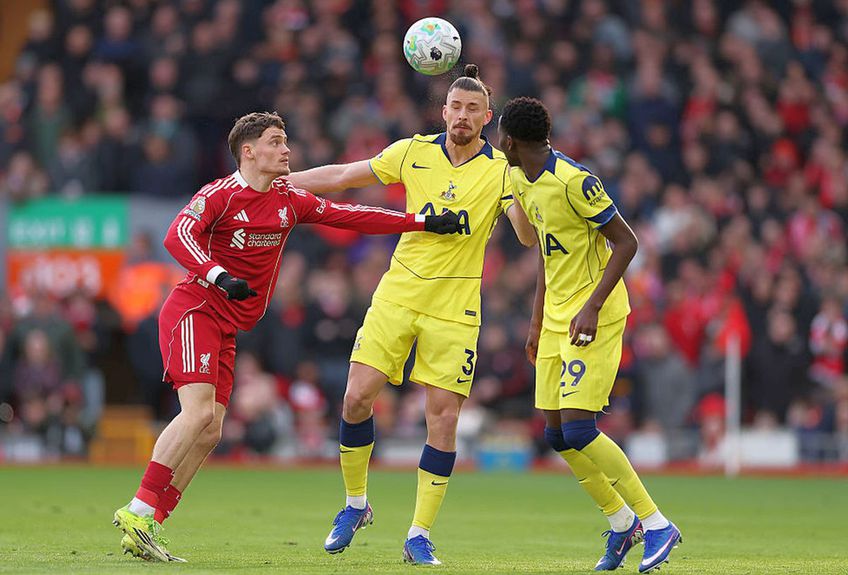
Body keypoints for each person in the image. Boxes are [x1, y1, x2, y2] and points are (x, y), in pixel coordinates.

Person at [112, 111, 462, 562]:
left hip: (228, 325)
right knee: (198, 413)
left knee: (212, 429)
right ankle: (138, 507)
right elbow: (177, 235)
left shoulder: (288, 199)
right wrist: (218, 275)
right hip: (195, 309)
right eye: (276, 142)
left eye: (286, 141)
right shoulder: (220, 194)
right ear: (249, 151)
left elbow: (350, 215)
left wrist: (420, 222)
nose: (287, 151)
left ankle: (151, 524)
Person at [288, 64, 536, 565]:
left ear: (487, 118)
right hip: (397, 295)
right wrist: (280, 182)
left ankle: (419, 534)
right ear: (443, 111)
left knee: (442, 420)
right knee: (356, 398)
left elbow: (527, 237)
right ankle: (355, 505)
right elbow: (341, 176)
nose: (462, 116)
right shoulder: (413, 152)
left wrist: (525, 193)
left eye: (473, 109)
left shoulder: (503, 171)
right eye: (455, 107)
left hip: (456, 309)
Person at [497, 97, 682, 574]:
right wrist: (537, 320)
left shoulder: (575, 181)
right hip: (557, 318)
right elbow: (544, 252)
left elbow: (627, 241)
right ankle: (622, 523)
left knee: (580, 427)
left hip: (592, 317)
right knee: (557, 435)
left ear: (513, 141)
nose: (500, 144)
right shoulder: (519, 178)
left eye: (502, 137)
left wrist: (593, 306)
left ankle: (657, 523)